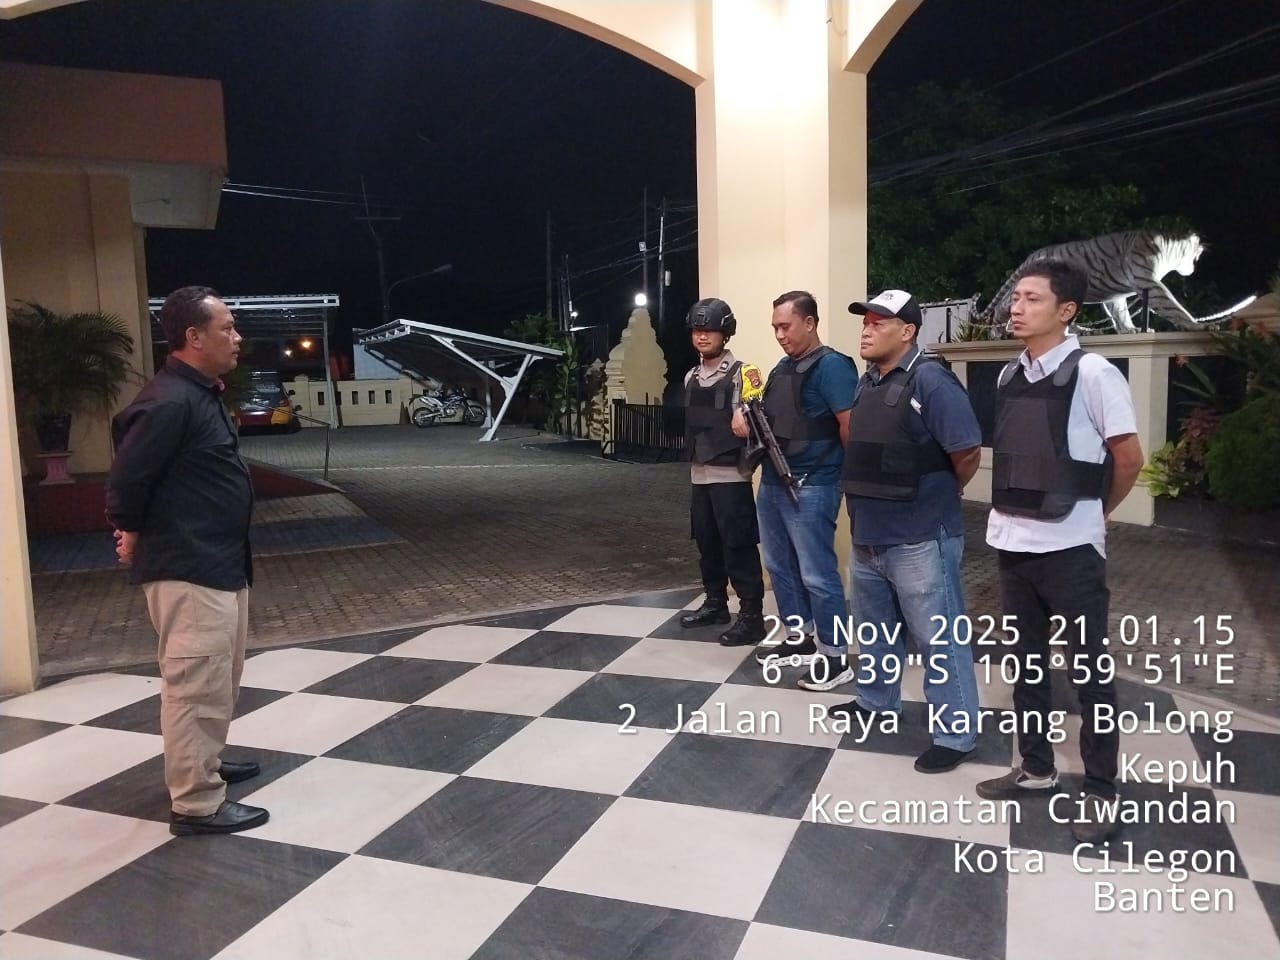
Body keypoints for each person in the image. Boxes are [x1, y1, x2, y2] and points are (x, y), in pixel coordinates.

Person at [974, 258, 1144, 843]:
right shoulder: (1008, 374)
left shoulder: (1095, 373)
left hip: (1070, 546)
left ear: (1066, 310)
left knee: (1089, 673)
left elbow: (1128, 459)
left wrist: (1098, 513)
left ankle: (1101, 789)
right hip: (1013, 542)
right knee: (1026, 667)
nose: (1016, 307)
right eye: (1015, 297)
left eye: (1032, 299)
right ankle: (1037, 768)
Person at [106, 286, 269, 837]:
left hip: (219, 561)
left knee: (218, 677)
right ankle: (196, 803)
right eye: (227, 327)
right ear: (194, 337)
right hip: (189, 564)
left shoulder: (197, 394)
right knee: (194, 683)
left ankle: (206, 763)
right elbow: (128, 478)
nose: (237, 336)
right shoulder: (170, 401)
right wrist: (129, 529)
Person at [827, 290, 983, 772]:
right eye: (865, 322)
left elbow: (967, 452)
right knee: (874, 630)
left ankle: (956, 733)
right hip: (869, 534)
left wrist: (941, 493)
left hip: (920, 536)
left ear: (908, 331)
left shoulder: (931, 380)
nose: (866, 330)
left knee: (939, 638)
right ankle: (876, 701)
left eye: (879, 322)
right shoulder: (866, 382)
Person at [736, 290, 859, 691]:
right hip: (774, 480)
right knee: (779, 565)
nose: (779, 335)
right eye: (775, 327)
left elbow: (850, 426)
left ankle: (835, 655)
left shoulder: (833, 367)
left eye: (786, 326)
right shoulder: (782, 368)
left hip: (814, 483)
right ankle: (800, 636)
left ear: (810, 323)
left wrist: (851, 480)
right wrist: (743, 419)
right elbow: (770, 416)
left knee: (817, 573)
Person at [677, 298, 767, 646]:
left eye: (710, 330)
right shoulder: (690, 376)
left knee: (738, 545)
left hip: (731, 475)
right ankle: (715, 603)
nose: (702, 336)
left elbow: (759, 416)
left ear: (725, 333)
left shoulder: (744, 373)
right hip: (699, 473)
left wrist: (746, 413)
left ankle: (752, 616)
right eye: (697, 330)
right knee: (707, 543)